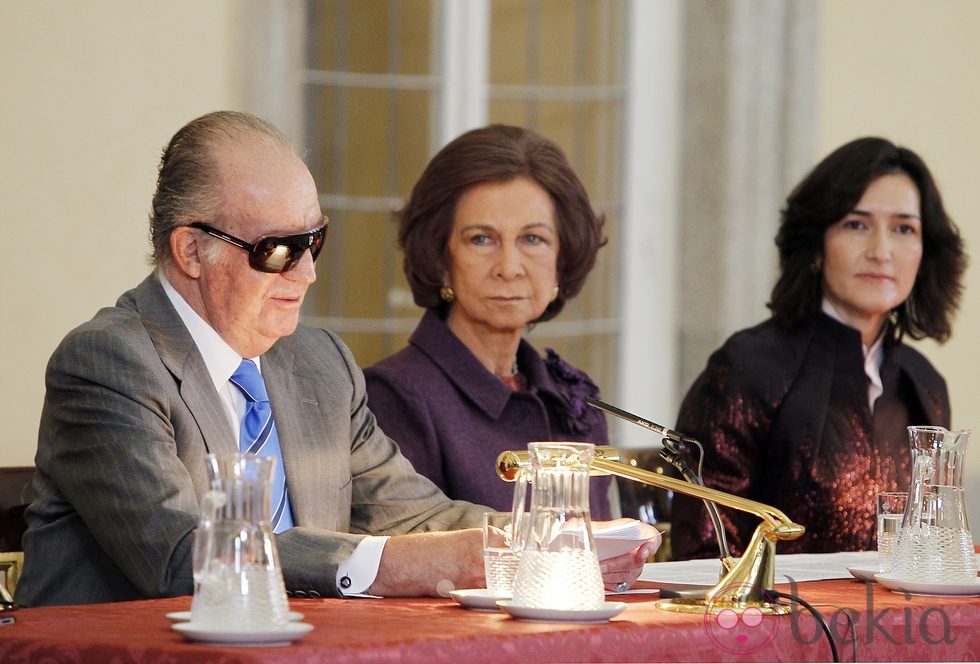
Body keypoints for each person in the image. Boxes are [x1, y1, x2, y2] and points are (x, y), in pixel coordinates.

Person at [17, 112, 649, 607]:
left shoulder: (318, 362)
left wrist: (555, 542)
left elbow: (419, 516)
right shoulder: (108, 362)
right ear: (190, 250)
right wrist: (399, 562)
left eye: (314, 239)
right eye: (279, 249)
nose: (309, 272)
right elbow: (183, 556)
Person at [670, 137, 966, 560]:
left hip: (902, 626)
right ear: (814, 246)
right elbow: (704, 554)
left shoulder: (924, 385)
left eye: (904, 228)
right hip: (772, 622)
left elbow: (931, 553)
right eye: (856, 225)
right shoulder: (745, 369)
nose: (881, 251)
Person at [364, 124, 618, 520]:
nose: (509, 267)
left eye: (532, 239)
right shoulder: (396, 396)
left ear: (561, 261)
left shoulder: (572, 401)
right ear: (441, 258)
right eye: (482, 239)